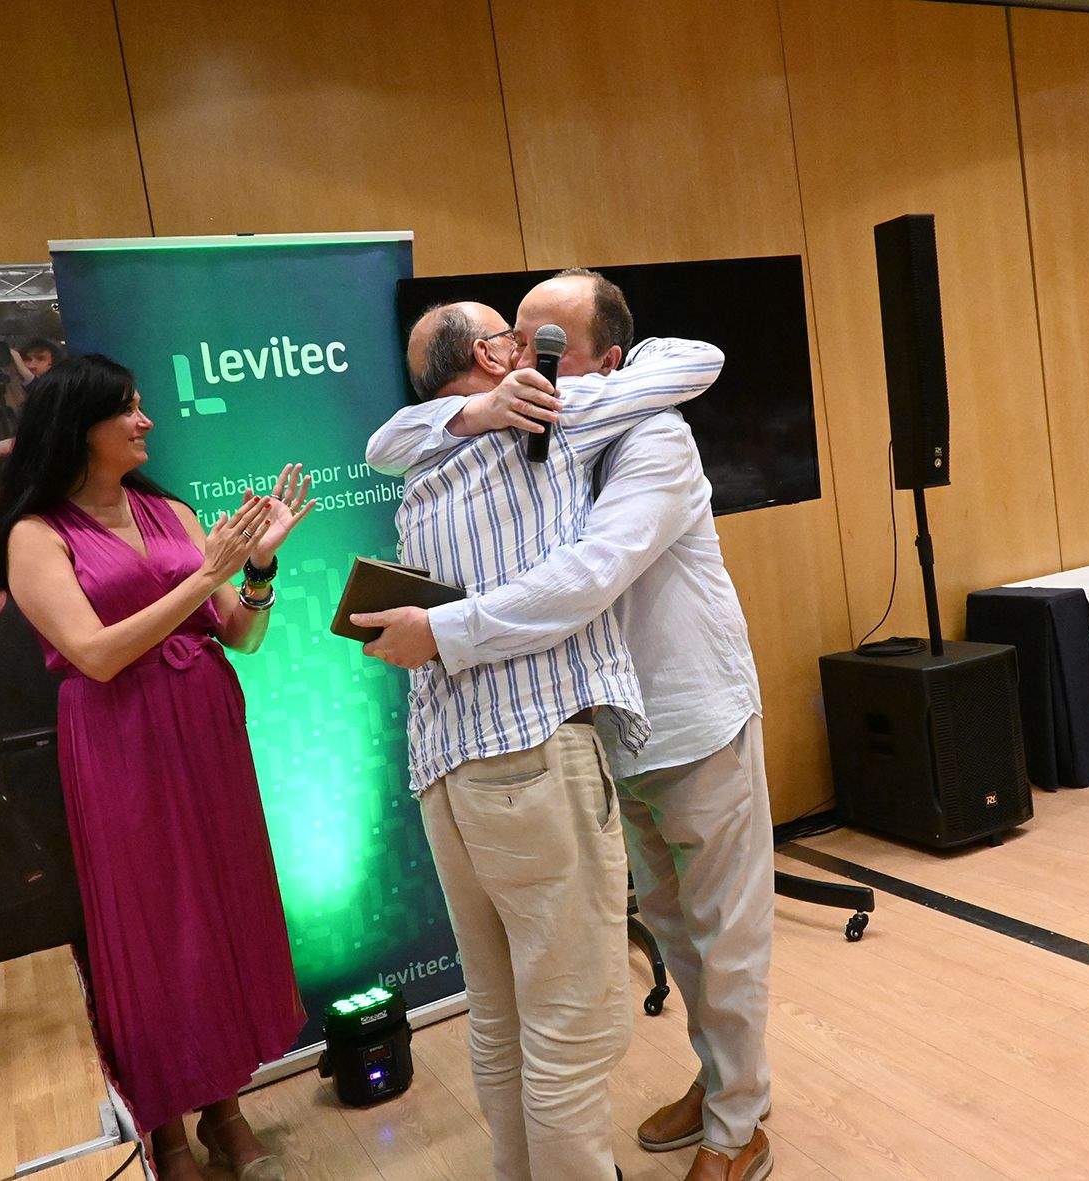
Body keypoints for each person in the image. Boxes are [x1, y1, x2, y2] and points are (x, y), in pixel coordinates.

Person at [360, 271, 772, 1181]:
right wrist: (475, 415)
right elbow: (390, 437)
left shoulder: (648, 434)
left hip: (692, 717)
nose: (531, 360)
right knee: (662, 925)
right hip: (594, 729)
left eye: (549, 345)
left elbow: (591, 573)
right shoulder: (505, 437)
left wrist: (446, 630)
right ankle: (718, 1083)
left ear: (606, 364)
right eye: (518, 341)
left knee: (724, 933)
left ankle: (739, 1120)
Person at [0, 354, 315, 1181]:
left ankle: (228, 1112)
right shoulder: (36, 533)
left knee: (220, 906)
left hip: (205, 724)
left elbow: (239, 633)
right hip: (119, 736)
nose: (146, 422)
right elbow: (94, 656)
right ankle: (165, 1127)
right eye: (128, 410)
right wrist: (205, 574)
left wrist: (259, 568)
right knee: (155, 924)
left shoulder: (169, 507)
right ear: (81, 426)